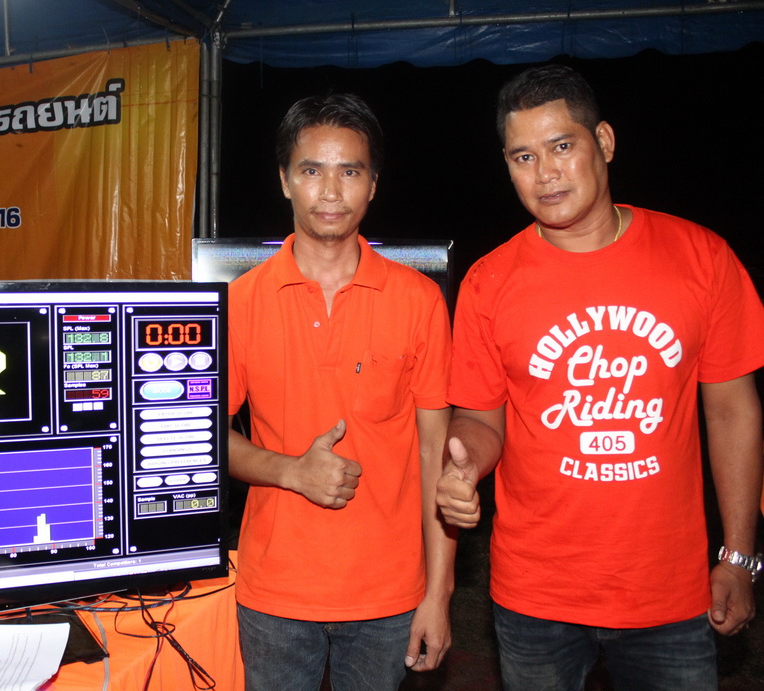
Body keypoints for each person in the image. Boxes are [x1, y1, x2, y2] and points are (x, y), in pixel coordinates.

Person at [437, 63, 764, 690]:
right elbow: (479, 418)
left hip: (669, 593)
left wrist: (740, 555)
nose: (545, 173)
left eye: (562, 146)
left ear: (604, 142)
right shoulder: (488, 281)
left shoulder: (702, 258)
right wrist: (463, 465)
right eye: (524, 157)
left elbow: (732, 410)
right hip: (535, 594)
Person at [228, 93, 455, 690]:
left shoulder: (419, 301)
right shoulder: (241, 303)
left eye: (350, 171)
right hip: (275, 593)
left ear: (373, 184)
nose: (330, 191)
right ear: (284, 180)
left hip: (389, 597)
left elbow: (435, 455)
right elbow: (200, 438)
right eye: (311, 170)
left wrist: (439, 593)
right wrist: (290, 471)